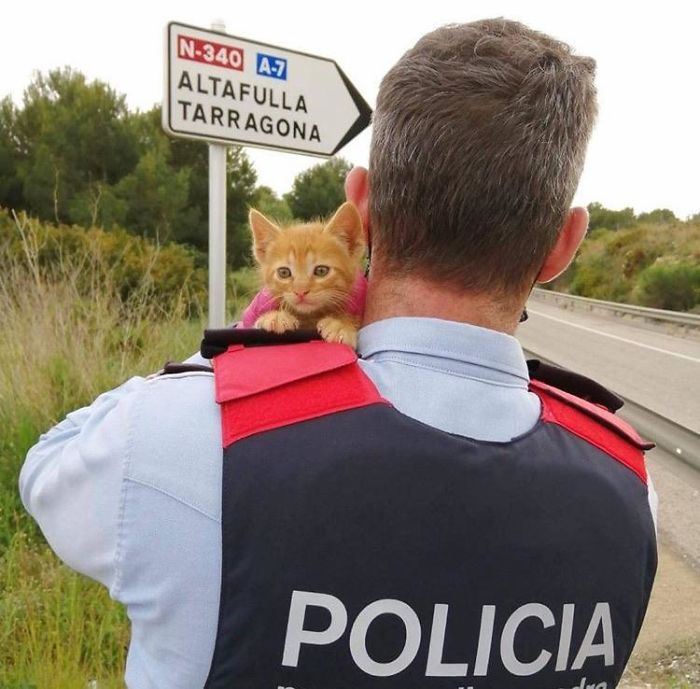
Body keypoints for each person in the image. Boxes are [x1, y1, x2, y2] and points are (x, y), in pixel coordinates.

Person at [19, 18, 657, 689]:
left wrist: (252, 351)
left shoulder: (182, 435)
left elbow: (44, 472)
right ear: (563, 245)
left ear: (361, 208)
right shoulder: (630, 483)